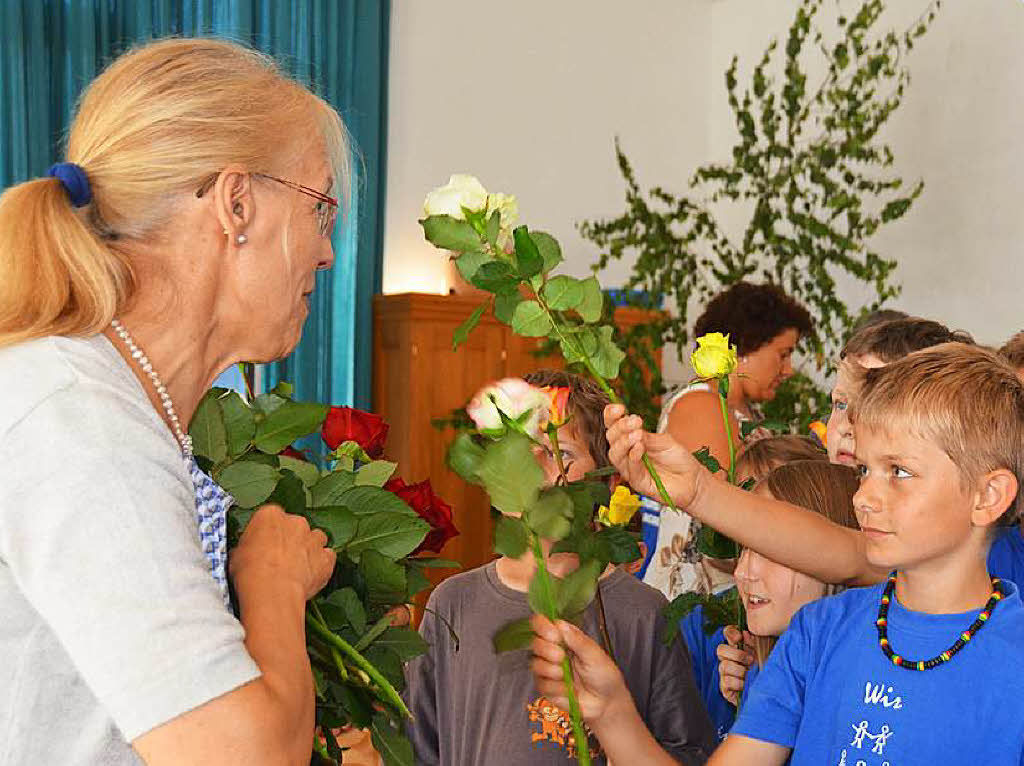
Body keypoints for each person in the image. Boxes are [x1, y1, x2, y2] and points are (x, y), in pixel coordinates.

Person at [0, 38, 347, 765]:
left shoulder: (99, 401)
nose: (327, 252)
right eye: (320, 209)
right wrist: (275, 587)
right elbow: (241, 756)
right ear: (236, 203)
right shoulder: (87, 431)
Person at [533, 343, 1024, 763]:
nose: (863, 498)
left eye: (899, 472)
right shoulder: (818, 633)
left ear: (987, 496)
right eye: (864, 472)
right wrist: (612, 712)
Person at [404, 370, 715, 765]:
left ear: (607, 478)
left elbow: (685, 751)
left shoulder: (642, 612)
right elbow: (417, 746)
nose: (535, 466)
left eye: (560, 452)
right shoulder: (453, 603)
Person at [644, 282, 813, 601]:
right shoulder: (701, 404)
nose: (788, 370)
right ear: (746, 347)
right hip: (697, 597)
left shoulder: (747, 412)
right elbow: (724, 508)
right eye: (783, 354)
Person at [681, 437, 827, 743]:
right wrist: (749, 704)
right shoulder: (715, 633)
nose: (743, 572)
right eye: (746, 544)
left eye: (772, 544)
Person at [716, 461, 858, 712]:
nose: (742, 573)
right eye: (746, 547)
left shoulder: (856, 693)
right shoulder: (763, 671)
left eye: (771, 551)